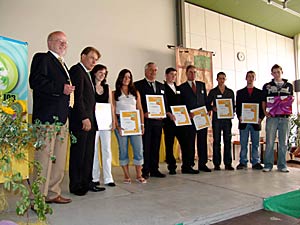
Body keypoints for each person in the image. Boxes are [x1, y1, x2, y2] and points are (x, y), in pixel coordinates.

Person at [29, 31, 73, 204]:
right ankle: (36, 198)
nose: (63, 44)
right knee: (44, 159)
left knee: (59, 159)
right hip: (47, 117)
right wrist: (60, 88)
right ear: (49, 42)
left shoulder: (63, 64)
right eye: (59, 41)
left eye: (65, 42)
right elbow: (36, 81)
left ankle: (53, 193)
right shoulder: (42, 58)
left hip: (62, 117)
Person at [69, 47, 105, 196]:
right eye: (91, 58)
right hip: (81, 121)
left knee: (88, 154)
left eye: (96, 59)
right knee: (79, 154)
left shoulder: (87, 74)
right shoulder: (77, 70)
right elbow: (77, 98)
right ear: (83, 56)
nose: (94, 62)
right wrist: (84, 117)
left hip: (90, 120)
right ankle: (76, 185)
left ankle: (87, 182)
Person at [112, 69, 146, 184]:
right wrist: (117, 126)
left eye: (129, 77)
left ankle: (139, 174)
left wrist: (141, 124)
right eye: (125, 77)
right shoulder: (114, 93)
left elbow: (140, 109)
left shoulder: (135, 92)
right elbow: (113, 111)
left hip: (135, 123)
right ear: (120, 78)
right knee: (123, 149)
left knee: (138, 149)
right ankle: (126, 175)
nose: (127, 79)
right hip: (121, 123)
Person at [134, 62, 166, 179]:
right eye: (151, 70)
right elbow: (136, 104)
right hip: (146, 121)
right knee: (146, 146)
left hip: (158, 121)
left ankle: (154, 169)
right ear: (145, 71)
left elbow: (164, 103)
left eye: (155, 70)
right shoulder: (137, 85)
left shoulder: (161, 86)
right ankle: (145, 170)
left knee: (156, 146)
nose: (153, 72)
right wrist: (144, 114)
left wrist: (164, 113)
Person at [262, 64, 294, 172]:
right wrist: (264, 112)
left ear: (282, 72)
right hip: (272, 117)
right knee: (270, 141)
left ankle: (282, 165)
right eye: (274, 72)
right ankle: (268, 165)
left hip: (285, 118)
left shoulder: (289, 85)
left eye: (278, 72)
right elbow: (264, 100)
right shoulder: (267, 86)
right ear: (271, 74)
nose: (276, 74)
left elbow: (290, 99)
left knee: (283, 142)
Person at [179, 65, 211, 173]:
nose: (192, 74)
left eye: (194, 72)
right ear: (186, 73)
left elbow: (206, 101)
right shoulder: (181, 87)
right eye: (190, 72)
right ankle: (189, 164)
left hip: (201, 118)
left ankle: (203, 164)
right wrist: (187, 113)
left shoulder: (201, 85)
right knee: (190, 143)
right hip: (190, 119)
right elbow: (181, 104)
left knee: (202, 141)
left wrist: (209, 109)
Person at [163, 67, 193, 175]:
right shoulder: (162, 88)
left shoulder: (178, 88)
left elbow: (183, 103)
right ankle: (172, 167)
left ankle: (186, 166)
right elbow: (162, 103)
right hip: (169, 122)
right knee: (169, 145)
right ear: (166, 75)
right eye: (171, 74)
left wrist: (186, 113)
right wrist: (168, 113)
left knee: (185, 143)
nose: (173, 77)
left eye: (175, 75)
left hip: (180, 121)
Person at [90, 64, 115, 187]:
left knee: (106, 149)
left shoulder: (107, 87)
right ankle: (95, 177)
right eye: (100, 72)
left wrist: (113, 121)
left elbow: (111, 105)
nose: (102, 75)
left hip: (106, 122)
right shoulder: (90, 86)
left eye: (104, 73)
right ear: (94, 73)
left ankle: (108, 177)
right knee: (93, 150)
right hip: (94, 122)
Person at [236, 71, 264, 170]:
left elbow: (262, 107)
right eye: (249, 76)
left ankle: (256, 162)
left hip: (256, 122)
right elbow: (238, 107)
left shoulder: (260, 92)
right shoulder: (240, 92)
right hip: (244, 122)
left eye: (252, 76)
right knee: (243, 143)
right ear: (246, 78)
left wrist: (261, 118)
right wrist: (239, 116)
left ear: (255, 78)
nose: (250, 78)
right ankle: (243, 162)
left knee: (255, 143)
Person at [207, 72, 235, 171]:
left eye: (223, 78)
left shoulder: (230, 92)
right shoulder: (213, 92)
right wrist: (212, 108)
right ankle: (217, 164)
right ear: (217, 79)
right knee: (216, 142)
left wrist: (232, 112)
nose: (221, 80)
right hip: (217, 120)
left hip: (227, 120)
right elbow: (207, 104)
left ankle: (228, 163)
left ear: (225, 79)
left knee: (227, 141)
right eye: (220, 78)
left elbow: (233, 106)